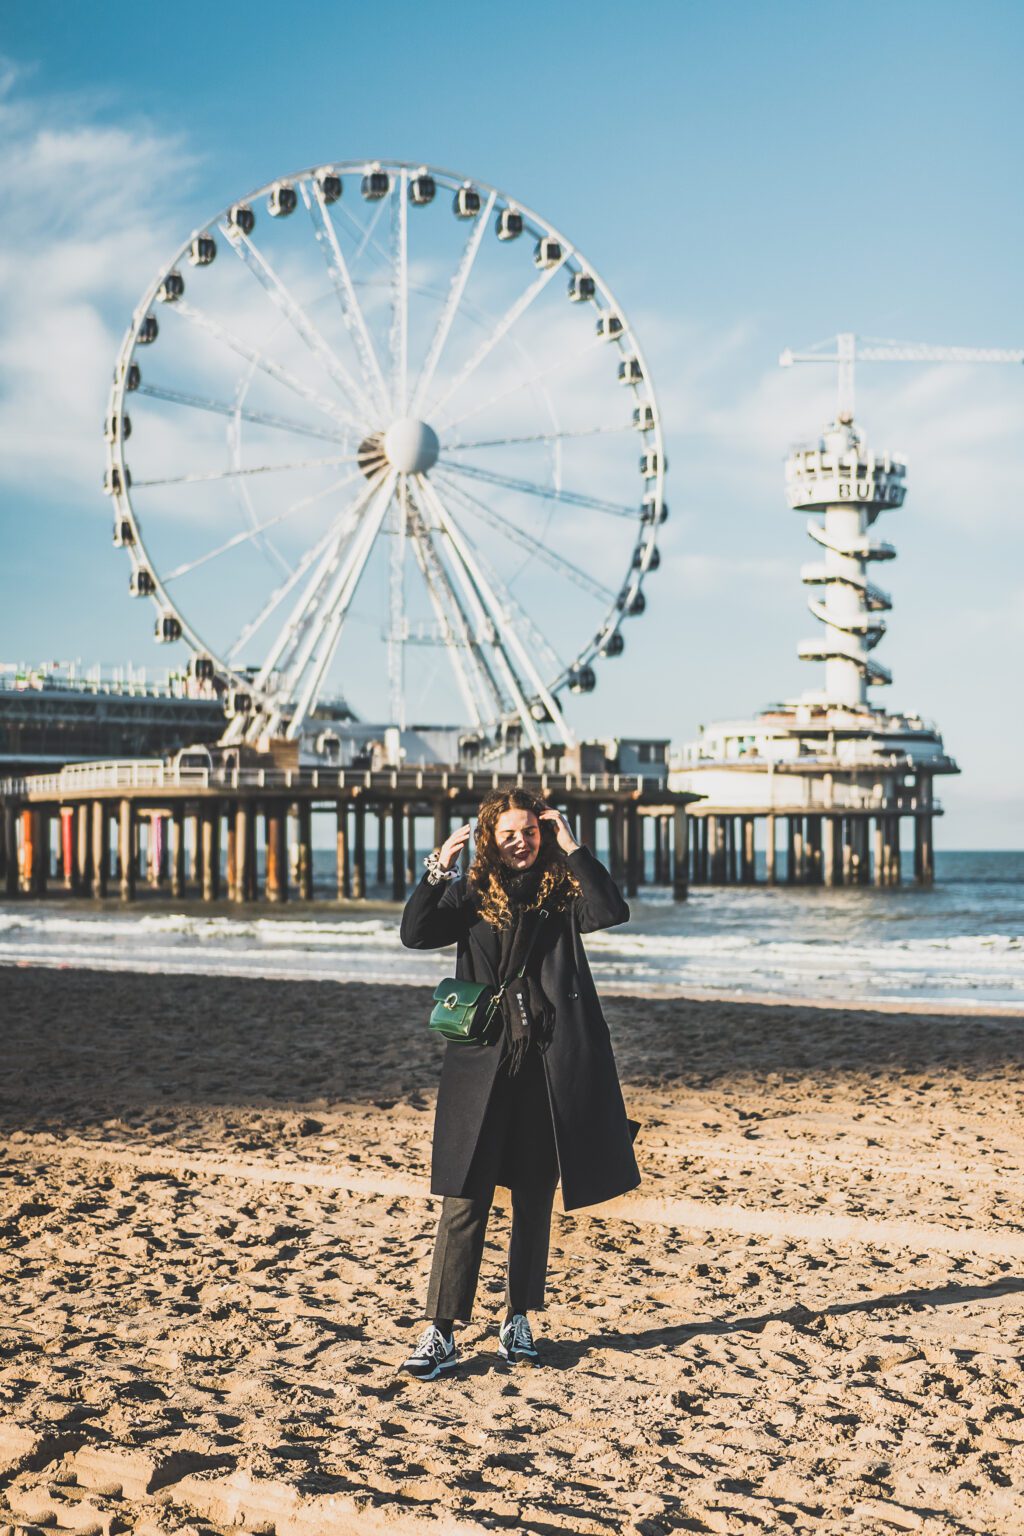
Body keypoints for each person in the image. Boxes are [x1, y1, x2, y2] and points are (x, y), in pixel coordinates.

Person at [397, 787, 640, 1380]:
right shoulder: (470, 892)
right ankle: (442, 1331)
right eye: (508, 832)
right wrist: (437, 868)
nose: (520, 841)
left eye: (530, 831)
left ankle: (518, 1319)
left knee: (533, 1199)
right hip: (480, 1063)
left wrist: (573, 845)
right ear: (489, 836)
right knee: (465, 1199)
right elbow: (415, 932)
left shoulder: (563, 894)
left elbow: (612, 910)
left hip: (546, 1067)